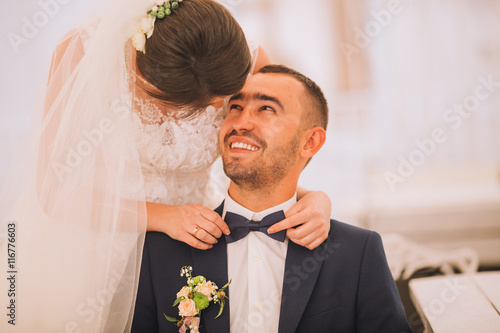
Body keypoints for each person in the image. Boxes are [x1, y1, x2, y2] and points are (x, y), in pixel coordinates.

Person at [0, 0, 331, 332]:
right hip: (94, 241)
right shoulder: (82, 53)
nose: (221, 109)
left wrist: (311, 198)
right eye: (203, 103)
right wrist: (164, 216)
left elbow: (262, 154)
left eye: (224, 98)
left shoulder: (238, 57)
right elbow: (53, 190)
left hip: (196, 241)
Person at [131, 65, 413, 333]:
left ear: (310, 142)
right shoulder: (160, 251)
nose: (241, 122)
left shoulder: (358, 253)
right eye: (236, 107)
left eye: (266, 108)